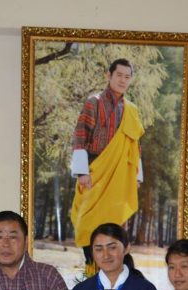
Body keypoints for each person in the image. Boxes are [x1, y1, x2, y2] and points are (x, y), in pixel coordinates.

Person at [69, 58, 144, 270]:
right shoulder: (94, 102)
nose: (122, 80)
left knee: (116, 227)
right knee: (88, 223)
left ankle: (118, 273)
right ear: (108, 76)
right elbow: (80, 136)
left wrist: (136, 175)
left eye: (127, 77)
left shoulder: (131, 110)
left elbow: (134, 145)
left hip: (120, 178)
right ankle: (91, 270)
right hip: (95, 173)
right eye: (119, 75)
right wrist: (82, 172)